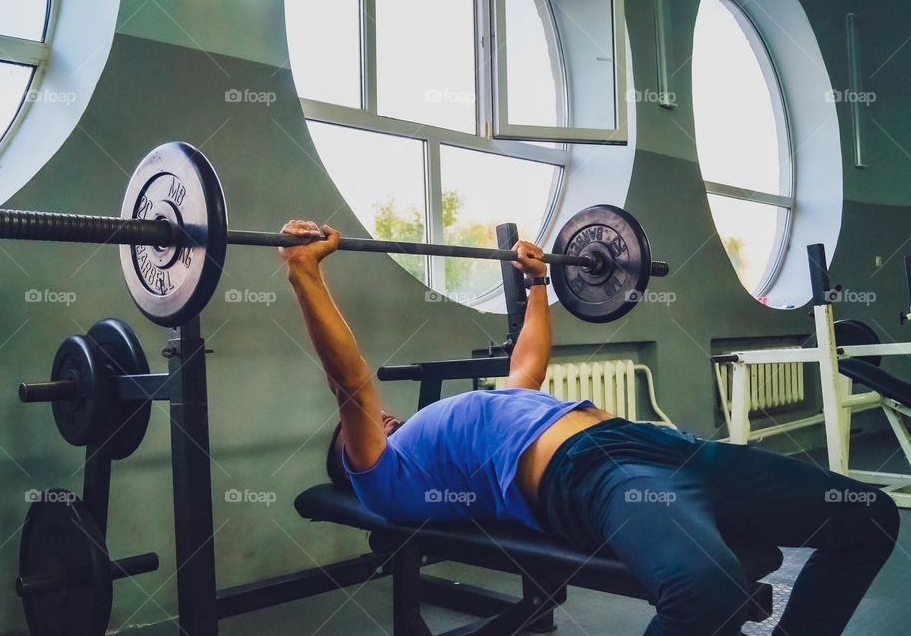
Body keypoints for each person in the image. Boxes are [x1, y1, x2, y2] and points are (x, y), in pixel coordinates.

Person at [279, 219, 899, 636]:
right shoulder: (385, 476)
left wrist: (540, 281)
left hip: (666, 447)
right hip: (595, 475)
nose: (384, 419)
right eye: (361, 434)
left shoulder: (466, 420)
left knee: (870, 516)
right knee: (706, 592)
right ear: (353, 462)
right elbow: (352, 385)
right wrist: (304, 272)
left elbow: (527, 363)